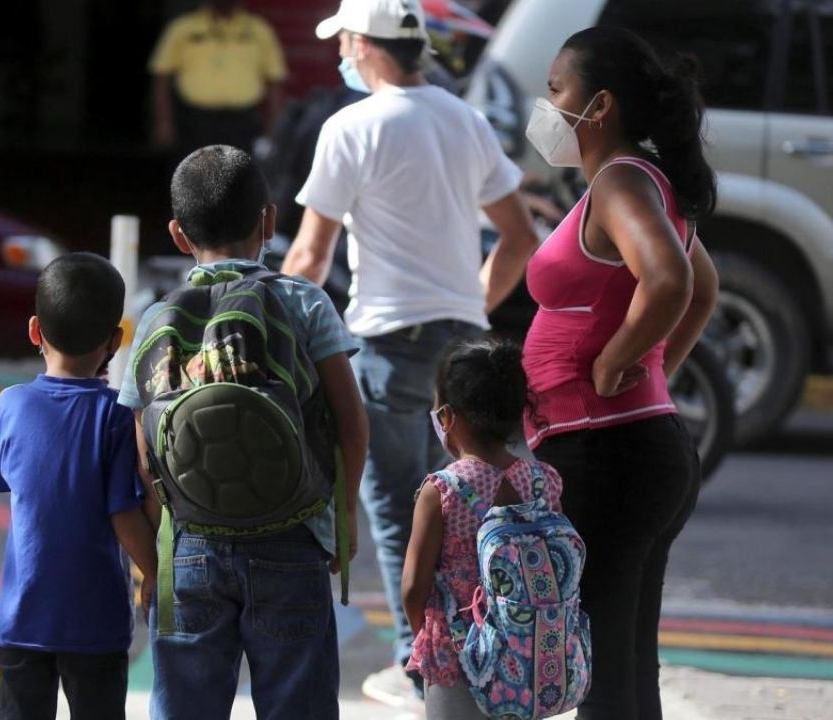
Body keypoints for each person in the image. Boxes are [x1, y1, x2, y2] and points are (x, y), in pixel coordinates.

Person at [281, 0, 539, 703]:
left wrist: (263, 326)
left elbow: (309, 255)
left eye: (344, 44)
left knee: (400, 510)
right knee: (467, 504)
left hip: (387, 345)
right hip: (461, 344)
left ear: (363, 45)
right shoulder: (467, 121)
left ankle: (418, 658)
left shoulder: (351, 126)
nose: (342, 56)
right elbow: (519, 239)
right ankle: (478, 649)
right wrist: (470, 307)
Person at [118, 145, 369, 720]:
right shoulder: (304, 301)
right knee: (297, 703)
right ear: (270, 222)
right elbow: (351, 422)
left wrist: (160, 550)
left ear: (179, 236)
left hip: (190, 547)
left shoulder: (158, 318)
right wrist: (344, 515)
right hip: (294, 535)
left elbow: (142, 448)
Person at [521, 27, 721, 720]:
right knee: (626, 661)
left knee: (604, 668)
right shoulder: (641, 180)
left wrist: (618, 360)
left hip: (607, 451)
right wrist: (655, 365)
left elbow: (669, 282)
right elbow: (702, 289)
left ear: (598, 105)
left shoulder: (620, 181)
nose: (545, 107)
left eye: (555, 91)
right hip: (633, 444)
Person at [0, 252, 158, 720]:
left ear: (35, 330)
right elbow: (122, 514)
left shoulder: (9, 405)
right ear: (116, 342)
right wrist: (156, 573)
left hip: (22, 620)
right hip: (95, 624)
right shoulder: (116, 417)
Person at [401, 336, 565, 719]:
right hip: (529, 651)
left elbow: (413, 587)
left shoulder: (443, 490)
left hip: (460, 654)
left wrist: (425, 635)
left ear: (447, 418)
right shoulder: (544, 481)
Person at [148, 0, 288, 156]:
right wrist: (163, 123)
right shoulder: (182, 28)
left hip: (243, 122)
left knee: (239, 176)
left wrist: (275, 127)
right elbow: (161, 77)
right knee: (194, 177)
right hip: (196, 122)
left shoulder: (259, 30)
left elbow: (275, 80)